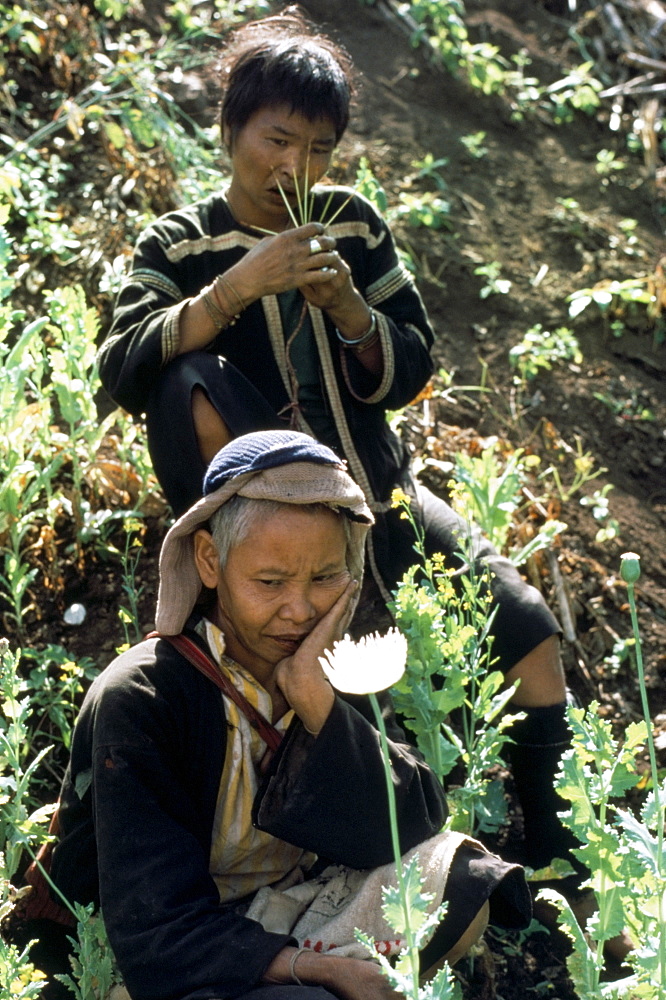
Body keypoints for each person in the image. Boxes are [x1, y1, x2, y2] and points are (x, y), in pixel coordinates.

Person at [97, 8, 575, 881]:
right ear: (230, 127)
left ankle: (555, 847)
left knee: (529, 628)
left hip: (381, 492)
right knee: (181, 374)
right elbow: (122, 370)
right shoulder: (180, 243)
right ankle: (272, 571)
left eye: (318, 150)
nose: (295, 168)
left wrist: (353, 312)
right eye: (276, 140)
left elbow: (414, 364)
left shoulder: (351, 226)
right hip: (276, 531)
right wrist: (234, 290)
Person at [43, 430, 530, 1000]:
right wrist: (318, 969)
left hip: (289, 909)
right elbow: (155, 927)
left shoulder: (324, 664)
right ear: (209, 560)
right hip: (175, 953)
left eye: (325, 578)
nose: (299, 610)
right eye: (270, 582)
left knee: (464, 887)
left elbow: (412, 824)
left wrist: (319, 702)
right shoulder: (144, 696)